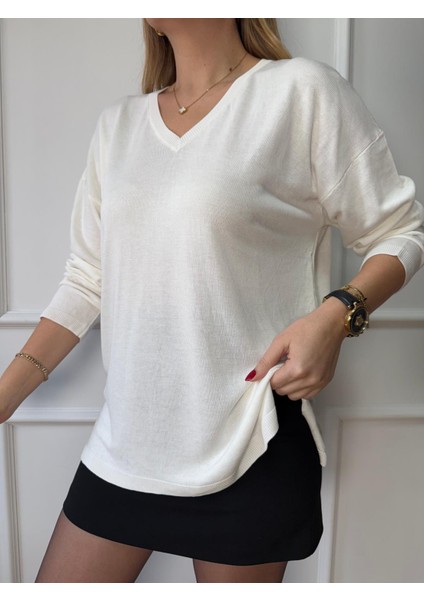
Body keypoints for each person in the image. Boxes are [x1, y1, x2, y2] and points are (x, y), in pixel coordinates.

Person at [0, 18, 423, 584]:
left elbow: (401, 232)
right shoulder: (118, 125)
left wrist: (336, 315)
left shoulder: (300, 93)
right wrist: (5, 394)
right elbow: (87, 278)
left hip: (250, 440)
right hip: (126, 447)